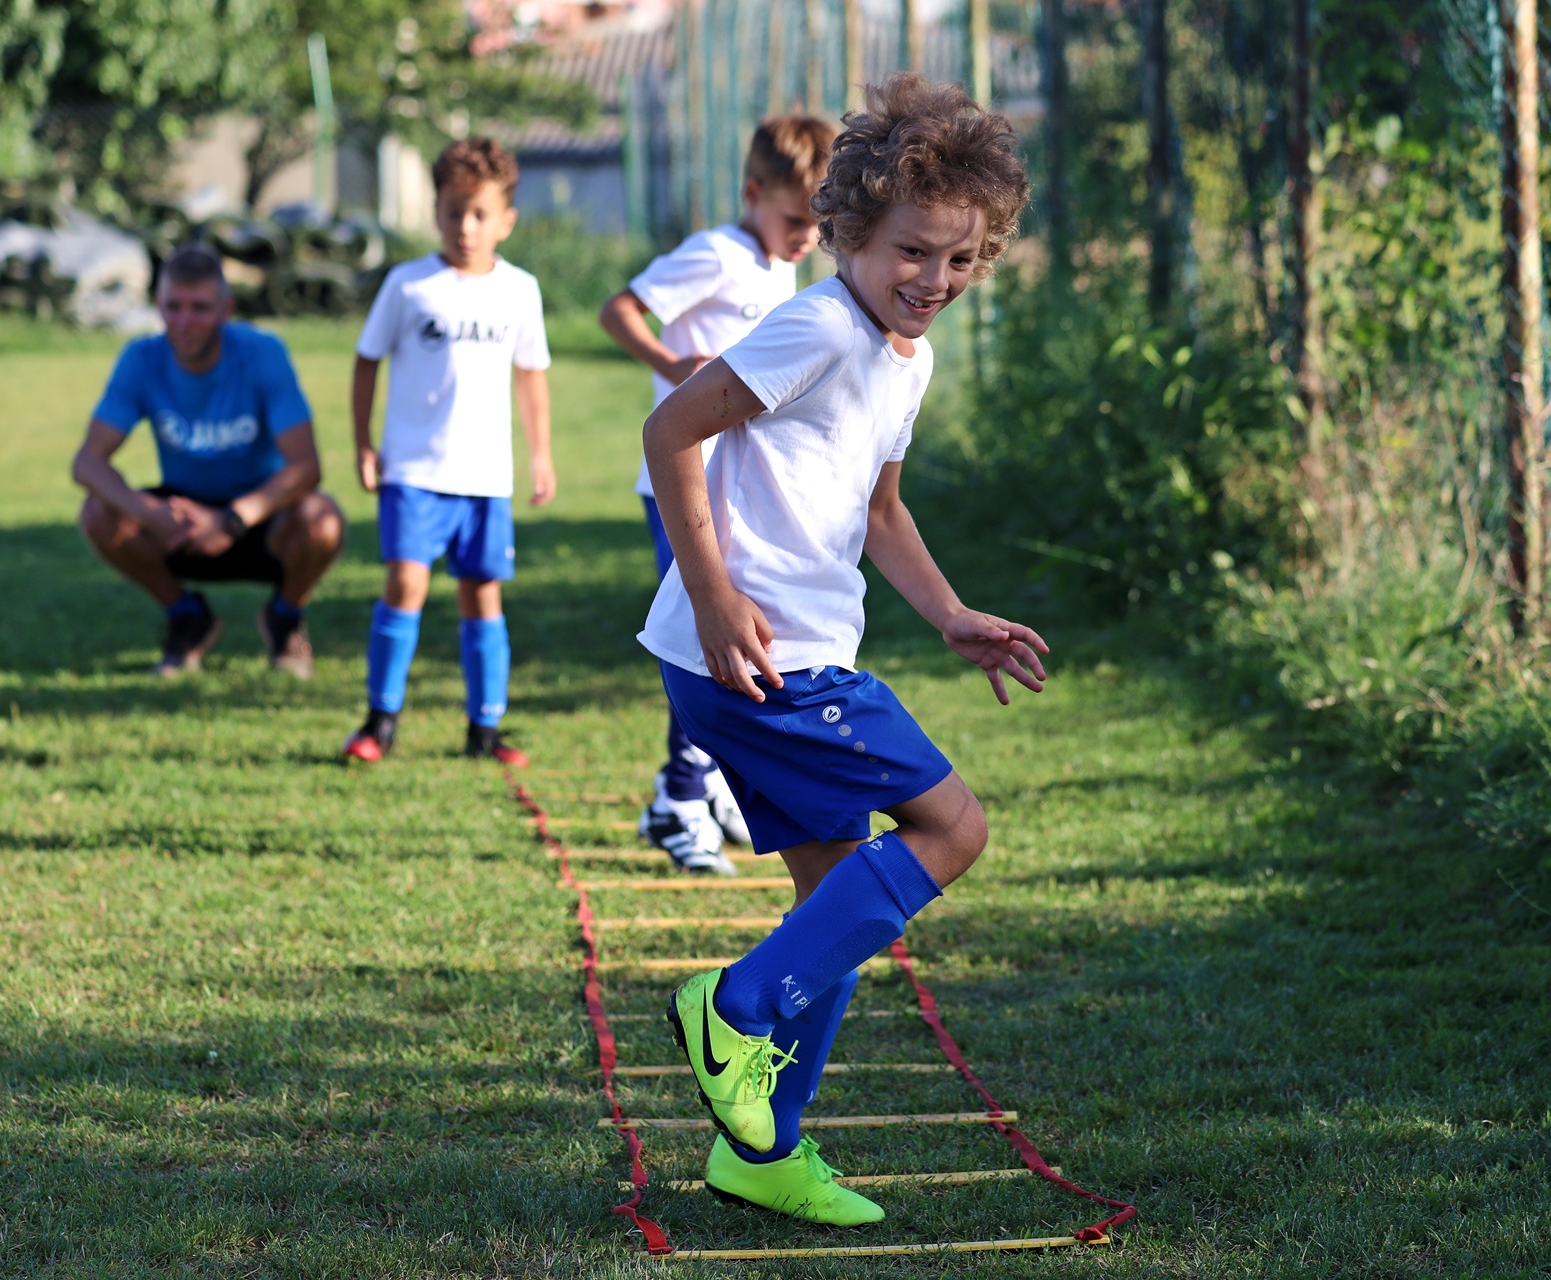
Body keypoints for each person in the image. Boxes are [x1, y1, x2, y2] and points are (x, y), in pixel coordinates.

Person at [640, 74, 1043, 1225]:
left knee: (837, 902)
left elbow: (880, 511)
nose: (935, 281)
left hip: (779, 652)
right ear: (854, 231)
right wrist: (714, 593)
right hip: (763, 657)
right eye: (914, 251)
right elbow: (671, 429)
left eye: (963, 261)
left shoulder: (902, 358)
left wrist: (951, 612)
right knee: (952, 826)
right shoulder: (818, 322)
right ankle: (734, 1003)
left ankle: (761, 1150)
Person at [599, 113, 836, 875]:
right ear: (752, 192)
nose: (807, 236)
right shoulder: (718, 254)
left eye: (819, 224)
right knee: (704, 643)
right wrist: (674, 369)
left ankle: (712, 787)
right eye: (797, 219)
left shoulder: (781, 267)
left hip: (742, 494)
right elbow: (619, 310)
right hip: (681, 485)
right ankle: (677, 799)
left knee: (745, 640)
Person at [342, 138, 555, 767]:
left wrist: (540, 454)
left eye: (479, 214)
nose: (465, 226)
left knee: (481, 594)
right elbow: (365, 360)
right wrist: (363, 443)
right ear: (435, 211)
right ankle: (380, 720)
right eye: (453, 211)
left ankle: (484, 728)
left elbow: (531, 374)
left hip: (486, 478)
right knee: (405, 581)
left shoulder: (520, 290)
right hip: (413, 469)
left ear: (505, 220)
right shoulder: (409, 286)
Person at [74, 244, 344, 677]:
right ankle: (187, 617)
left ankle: (285, 616)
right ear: (157, 306)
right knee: (98, 513)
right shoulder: (142, 358)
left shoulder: (262, 354)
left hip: (258, 518)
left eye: (199, 308)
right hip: (180, 522)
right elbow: (87, 462)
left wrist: (231, 520)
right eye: (173, 307)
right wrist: (150, 512)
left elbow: (306, 466)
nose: (184, 322)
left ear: (226, 310)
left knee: (322, 518)